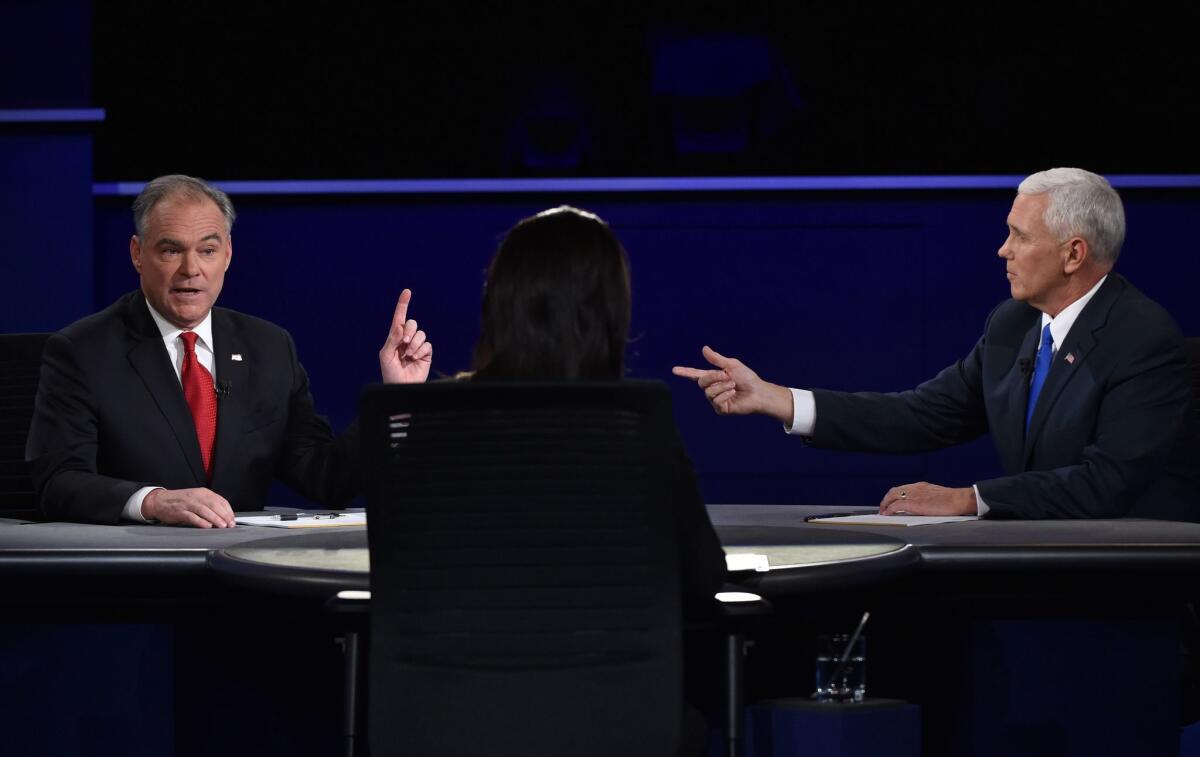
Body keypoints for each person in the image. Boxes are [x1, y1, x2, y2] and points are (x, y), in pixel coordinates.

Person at [674, 167, 1199, 520]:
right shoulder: (1013, 324)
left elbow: (1106, 483)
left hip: (1128, 584)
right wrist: (777, 398)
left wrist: (968, 499)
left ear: (1073, 254)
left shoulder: (1142, 339)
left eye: (1020, 236)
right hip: (1040, 561)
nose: (1003, 250)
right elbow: (923, 414)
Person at [26, 174, 432, 527]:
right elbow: (58, 482)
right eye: (171, 250)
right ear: (137, 253)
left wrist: (396, 398)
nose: (191, 269)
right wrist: (153, 501)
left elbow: (327, 479)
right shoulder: (82, 351)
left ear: (228, 255)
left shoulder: (269, 347)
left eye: (207, 250)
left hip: (241, 581)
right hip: (135, 574)